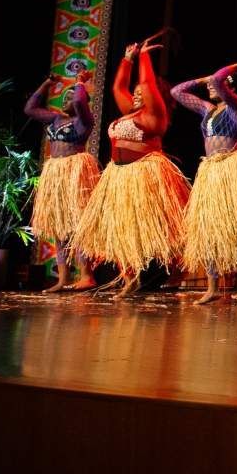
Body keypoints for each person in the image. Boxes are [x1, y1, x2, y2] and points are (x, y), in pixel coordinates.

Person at [72, 37, 190, 297]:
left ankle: (160, 272)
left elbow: (147, 83)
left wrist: (144, 57)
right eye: (134, 93)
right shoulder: (130, 112)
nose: (136, 95)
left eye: (140, 93)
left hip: (143, 175)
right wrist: (127, 59)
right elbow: (117, 88)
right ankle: (128, 277)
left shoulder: (154, 116)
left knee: (142, 230)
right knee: (122, 228)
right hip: (118, 176)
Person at [171, 63, 237, 304]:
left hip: (230, 168)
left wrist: (232, 67)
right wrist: (202, 79)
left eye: (216, 86)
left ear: (229, 87)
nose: (211, 89)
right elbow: (177, 92)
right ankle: (212, 286)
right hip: (210, 171)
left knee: (236, 226)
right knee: (208, 227)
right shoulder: (207, 110)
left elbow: (217, 80)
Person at [25, 71, 99, 292]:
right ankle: (63, 278)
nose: (67, 100)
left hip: (74, 172)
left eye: (71, 97)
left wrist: (79, 83)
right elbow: (29, 109)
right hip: (55, 173)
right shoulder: (56, 119)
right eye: (63, 98)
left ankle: (86, 275)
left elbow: (78, 99)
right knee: (58, 226)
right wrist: (46, 83)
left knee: (77, 225)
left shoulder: (84, 121)